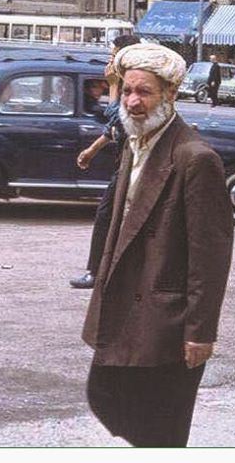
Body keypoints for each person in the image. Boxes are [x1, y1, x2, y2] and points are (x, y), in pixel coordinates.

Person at [82, 42, 233, 447]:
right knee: (103, 393)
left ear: (169, 95)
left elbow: (211, 256)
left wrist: (200, 332)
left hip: (167, 324)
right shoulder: (135, 144)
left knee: (162, 432)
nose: (132, 102)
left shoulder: (195, 158)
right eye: (127, 91)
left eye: (144, 92)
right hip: (127, 311)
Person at [70, 34, 141, 289]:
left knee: (108, 215)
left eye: (113, 57)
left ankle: (97, 271)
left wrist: (112, 86)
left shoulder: (133, 85)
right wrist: (91, 151)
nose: (109, 62)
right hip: (127, 161)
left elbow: (118, 120)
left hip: (135, 163)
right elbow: (113, 129)